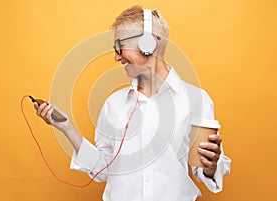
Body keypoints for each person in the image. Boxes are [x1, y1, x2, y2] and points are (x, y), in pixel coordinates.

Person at [34, 5, 231, 201]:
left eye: (120, 46)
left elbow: (203, 169)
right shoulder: (113, 104)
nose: (116, 56)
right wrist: (67, 127)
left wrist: (212, 166)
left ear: (148, 44)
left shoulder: (196, 99)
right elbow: (103, 170)